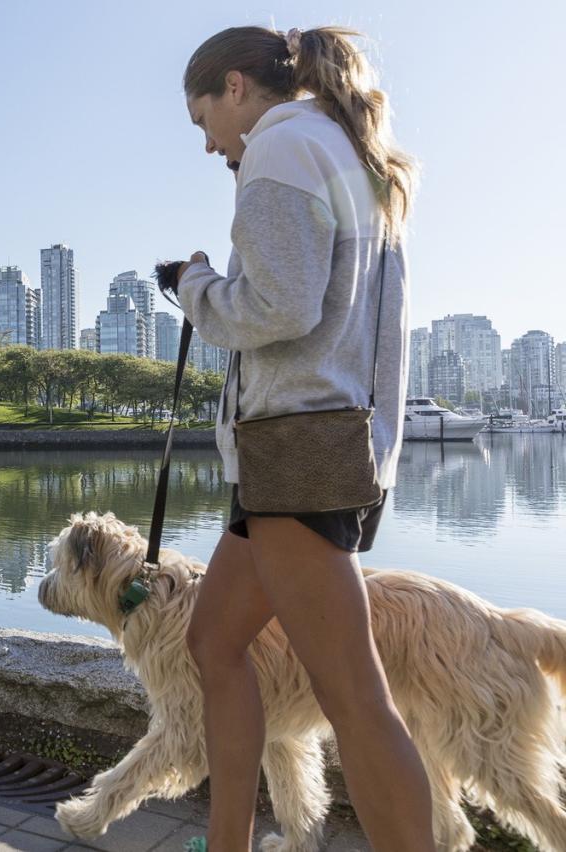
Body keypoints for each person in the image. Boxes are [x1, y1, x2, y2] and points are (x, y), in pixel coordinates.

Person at [166, 26, 434, 851]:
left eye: (202, 117)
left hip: (301, 446)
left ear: (237, 87)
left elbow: (278, 309)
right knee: (212, 642)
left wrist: (194, 286)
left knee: (353, 693)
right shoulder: (345, 153)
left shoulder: (282, 152)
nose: (210, 144)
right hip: (320, 440)